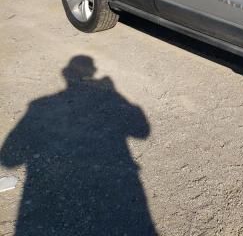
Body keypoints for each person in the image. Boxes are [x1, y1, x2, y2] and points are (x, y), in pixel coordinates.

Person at [0, 56, 156, 235]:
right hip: (119, 187)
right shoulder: (40, 106)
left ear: (65, 74)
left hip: (54, 200)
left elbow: (8, 159)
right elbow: (142, 131)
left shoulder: (39, 106)